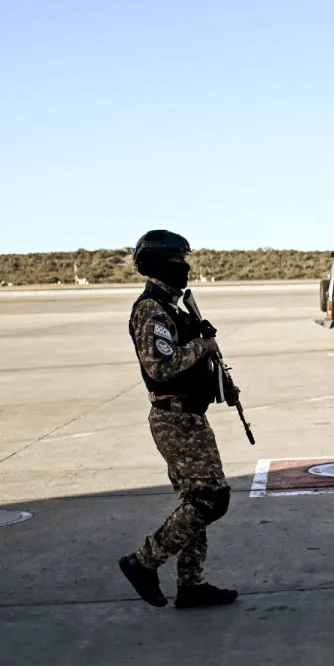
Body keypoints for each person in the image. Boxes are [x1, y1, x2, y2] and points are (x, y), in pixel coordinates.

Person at [116, 231, 239, 609]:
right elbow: (162, 366)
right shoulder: (151, 310)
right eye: (180, 261)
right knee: (210, 499)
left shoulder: (172, 308)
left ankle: (191, 583)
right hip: (175, 418)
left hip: (189, 414)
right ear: (163, 264)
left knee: (196, 499)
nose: (186, 268)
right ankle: (143, 561)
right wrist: (203, 346)